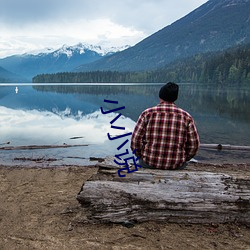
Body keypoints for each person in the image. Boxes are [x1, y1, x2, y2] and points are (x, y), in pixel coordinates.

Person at [131, 82, 200, 170]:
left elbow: (135, 141)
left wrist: (141, 155)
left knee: (139, 162)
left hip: (149, 162)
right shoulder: (186, 117)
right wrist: (184, 158)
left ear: (160, 96)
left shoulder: (147, 114)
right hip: (176, 165)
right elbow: (194, 145)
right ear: (175, 98)